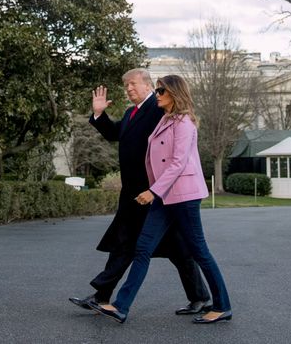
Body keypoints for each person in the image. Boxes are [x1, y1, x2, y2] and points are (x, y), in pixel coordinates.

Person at [90, 74, 232, 325]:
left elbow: (177, 163)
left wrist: (153, 190)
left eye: (160, 91)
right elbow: (134, 143)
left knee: (199, 251)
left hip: (183, 196)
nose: (156, 95)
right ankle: (120, 307)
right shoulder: (164, 119)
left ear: (174, 94)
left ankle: (222, 306)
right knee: (143, 249)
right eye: (156, 91)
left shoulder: (185, 123)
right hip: (163, 196)